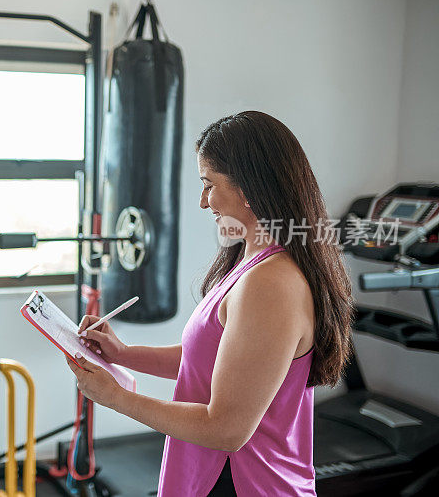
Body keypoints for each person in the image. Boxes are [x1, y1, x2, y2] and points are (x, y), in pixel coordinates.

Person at [66, 111, 354, 496]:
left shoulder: (270, 283)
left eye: (209, 185)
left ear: (250, 187)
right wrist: (123, 354)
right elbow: (209, 361)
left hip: (243, 484)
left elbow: (226, 429)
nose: (204, 202)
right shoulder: (250, 261)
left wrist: (117, 398)